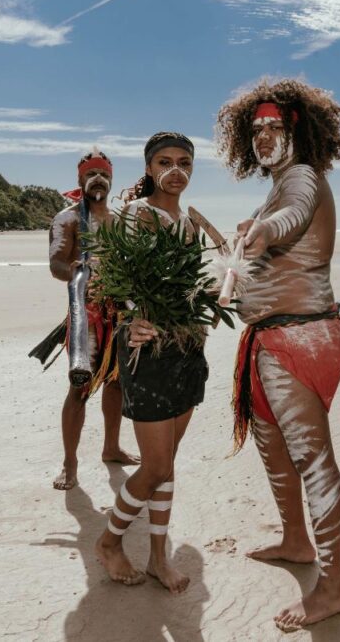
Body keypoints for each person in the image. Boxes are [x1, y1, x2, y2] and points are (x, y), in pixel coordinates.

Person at [215, 79, 340, 632]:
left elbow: (294, 217)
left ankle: (335, 587)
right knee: (275, 451)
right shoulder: (274, 187)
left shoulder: (300, 178)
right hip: (274, 340)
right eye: (256, 130)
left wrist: (265, 230)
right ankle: (297, 542)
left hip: (299, 339)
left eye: (275, 126)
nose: (264, 136)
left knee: (311, 459)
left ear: (299, 130)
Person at [93, 132, 209, 592]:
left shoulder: (191, 222)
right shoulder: (139, 215)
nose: (175, 169)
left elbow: (196, 286)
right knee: (156, 466)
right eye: (165, 161)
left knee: (167, 461)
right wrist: (131, 318)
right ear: (148, 168)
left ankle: (159, 556)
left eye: (184, 161)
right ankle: (109, 540)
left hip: (186, 350)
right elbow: (110, 278)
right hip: (149, 352)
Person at [41, 149, 139, 492]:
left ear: (111, 179)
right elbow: (56, 264)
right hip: (87, 316)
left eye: (104, 173)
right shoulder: (66, 219)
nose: (98, 179)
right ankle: (70, 462)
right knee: (79, 387)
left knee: (117, 383)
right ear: (80, 179)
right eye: (91, 173)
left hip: (117, 315)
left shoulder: (117, 218)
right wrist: (79, 275)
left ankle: (111, 447)